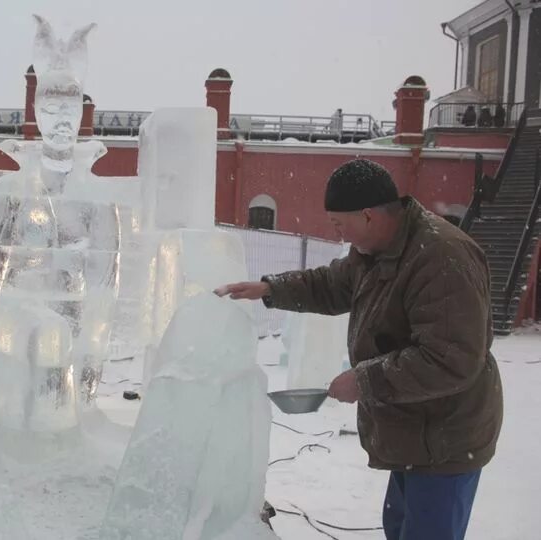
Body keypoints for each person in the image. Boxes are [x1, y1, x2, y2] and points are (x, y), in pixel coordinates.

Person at [215, 158, 503, 540]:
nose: (337, 233)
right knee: (400, 527)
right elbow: (334, 284)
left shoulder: (440, 258)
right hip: (413, 431)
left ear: (368, 215)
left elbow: (449, 359)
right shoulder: (379, 248)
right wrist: (271, 289)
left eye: (339, 223)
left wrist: (364, 380)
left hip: (445, 438)